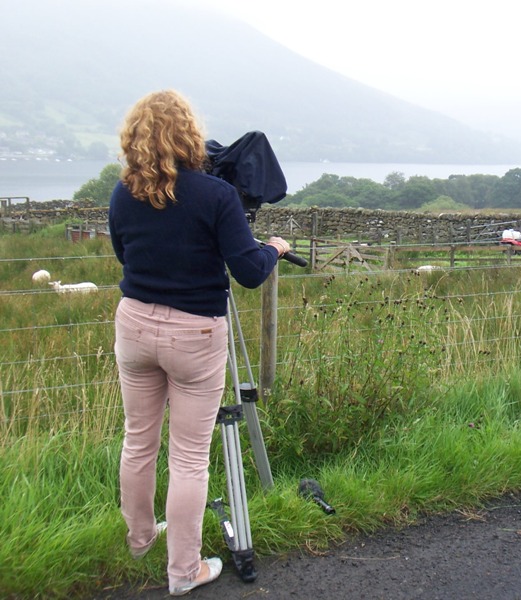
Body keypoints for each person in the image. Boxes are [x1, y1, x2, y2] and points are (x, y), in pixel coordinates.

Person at [109, 90, 291, 595]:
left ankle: (141, 539)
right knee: (189, 457)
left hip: (135, 324)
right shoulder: (216, 196)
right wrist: (274, 247)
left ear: (136, 137)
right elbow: (249, 272)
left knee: (138, 440)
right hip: (195, 332)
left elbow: (125, 253)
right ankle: (183, 571)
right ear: (189, 133)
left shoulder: (124, 191)